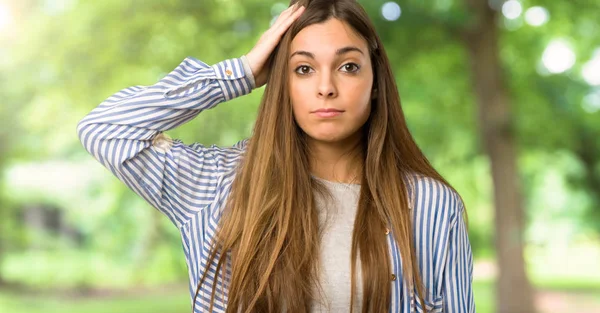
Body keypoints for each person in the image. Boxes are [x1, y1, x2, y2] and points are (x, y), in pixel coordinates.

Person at [77, 0, 474, 312]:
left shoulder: (431, 207)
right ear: (280, 81)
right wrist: (244, 72)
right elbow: (106, 129)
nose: (325, 87)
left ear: (375, 83)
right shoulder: (218, 185)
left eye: (348, 66)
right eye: (303, 69)